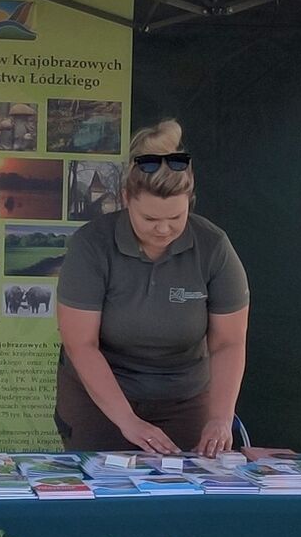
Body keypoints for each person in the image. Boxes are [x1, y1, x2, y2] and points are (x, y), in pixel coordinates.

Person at [54, 120, 250, 454]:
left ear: (190, 201)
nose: (163, 229)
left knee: (189, 478)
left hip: (185, 395)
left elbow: (228, 342)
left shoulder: (213, 246)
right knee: (104, 479)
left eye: (176, 218)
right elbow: (81, 344)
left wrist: (220, 418)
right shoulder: (91, 245)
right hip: (101, 398)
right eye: (149, 219)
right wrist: (128, 421)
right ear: (126, 198)